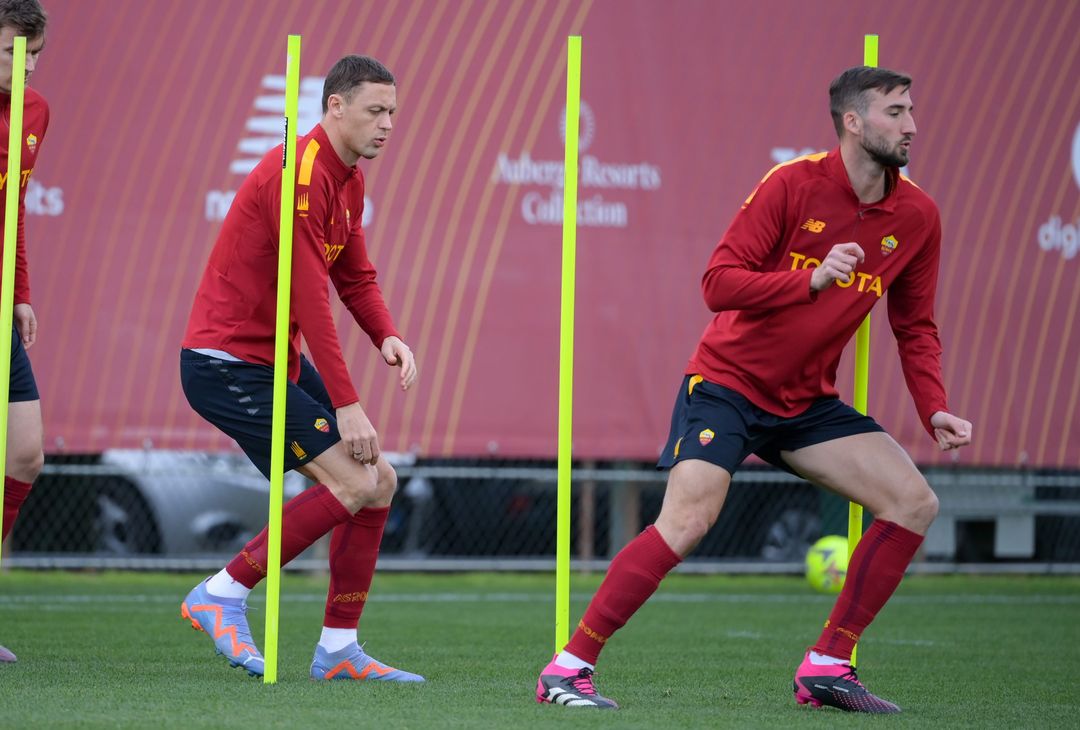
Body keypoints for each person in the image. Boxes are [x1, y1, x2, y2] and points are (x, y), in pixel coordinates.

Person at [535, 66, 973, 713]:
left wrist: (933, 406)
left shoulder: (917, 214)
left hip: (806, 403)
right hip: (728, 385)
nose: (912, 125)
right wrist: (810, 281)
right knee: (687, 521)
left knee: (913, 502)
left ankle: (828, 665)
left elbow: (914, 326)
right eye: (896, 112)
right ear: (853, 122)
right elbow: (718, 283)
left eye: (911, 110)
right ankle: (567, 669)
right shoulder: (792, 185)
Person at [179, 55, 422, 683]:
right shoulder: (302, 172)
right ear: (334, 106)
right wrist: (347, 402)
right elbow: (310, 297)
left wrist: (387, 335)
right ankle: (223, 592)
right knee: (355, 482)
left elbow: (354, 276)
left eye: (393, 111)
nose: (387, 124)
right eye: (375, 110)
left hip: (271, 362)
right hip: (227, 361)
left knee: (381, 480)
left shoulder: (350, 177)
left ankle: (339, 650)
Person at [0, 0, 48, 666]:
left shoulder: (35, 111)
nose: (26, 67)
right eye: (14, 51)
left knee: (26, 455)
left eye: (34, 55)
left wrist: (21, 294)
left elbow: (14, 209)